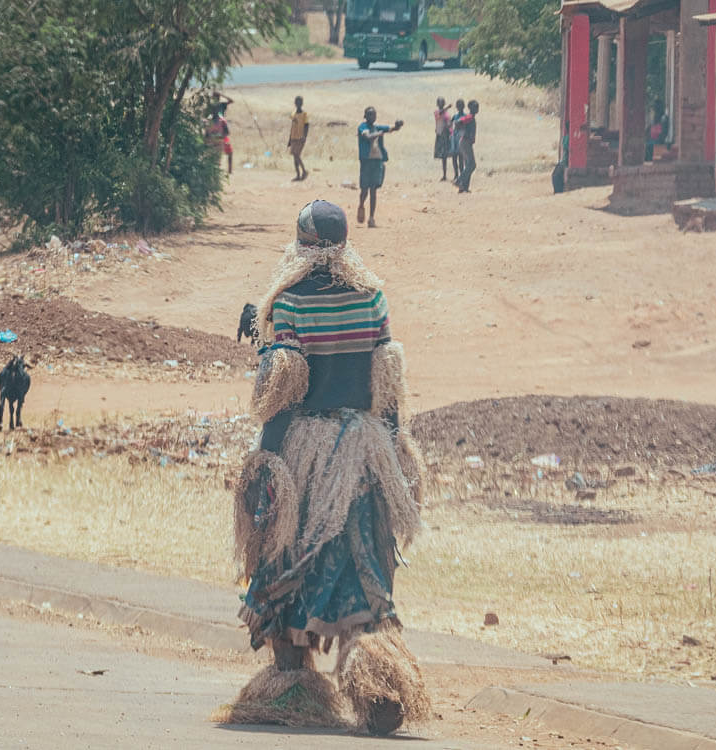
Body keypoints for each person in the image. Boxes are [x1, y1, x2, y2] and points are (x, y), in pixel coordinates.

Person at [226, 200, 430, 735]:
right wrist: (393, 453)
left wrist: (265, 465)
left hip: (308, 453)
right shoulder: (373, 299)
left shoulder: (290, 303)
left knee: (286, 559)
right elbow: (387, 390)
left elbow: (283, 395)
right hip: (364, 455)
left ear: (303, 246)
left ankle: (293, 684)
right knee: (366, 564)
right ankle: (377, 681)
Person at [357, 106, 404, 228]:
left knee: (373, 190)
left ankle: (371, 218)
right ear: (365, 116)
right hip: (367, 161)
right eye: (370, 115)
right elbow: (367, 136)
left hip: (377, 161)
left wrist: (397, 125)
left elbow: (392, 129)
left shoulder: (377, 128)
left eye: (374, 115)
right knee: (364, 190)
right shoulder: (363, 127)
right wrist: (380, 133)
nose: (372, 117)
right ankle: (361, 205)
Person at [205, 94, 235, 175]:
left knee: (222, 155)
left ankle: (228, 171)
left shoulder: (221, 105)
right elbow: (227, 133)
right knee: (218, 156)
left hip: (217, 137)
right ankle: (225, 172)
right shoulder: (218, 119)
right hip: (219, 137)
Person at [456, 99, 479, 193]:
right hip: (465, 142)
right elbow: (458, 122)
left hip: (466, 142)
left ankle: (464, 187)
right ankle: (459, 180)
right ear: (471, 108)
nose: (477, 109)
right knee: (472, 165)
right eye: (476, 107)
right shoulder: (470, 117)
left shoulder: (471, 117)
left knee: (468, 165)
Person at [288, 95, 310, 181]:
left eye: (299, 102)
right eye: (297, 102)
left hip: (301, 137)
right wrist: (289, 139)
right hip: (293, 137)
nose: (298, 104)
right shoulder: (293, 114)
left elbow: (307, 126)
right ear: (295, 103)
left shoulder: (305, 114)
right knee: (294, 156)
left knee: (296, 155)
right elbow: (292, 126)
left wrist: (305, 136)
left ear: (302, 103)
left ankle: (304, 171)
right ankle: (298, 174)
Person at [433, 97, 452, 181]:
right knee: (443, 156)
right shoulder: (437, 112)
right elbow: (439, 114)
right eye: (439, 102)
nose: (441, 104)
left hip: (445, 136)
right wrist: (447, 107)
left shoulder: (447, 115)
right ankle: (444, 175)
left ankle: (446, 175)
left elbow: (449, 124)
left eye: (442, 102)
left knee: (446, 155)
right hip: (440, 135)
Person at [449, 98, 466, 182]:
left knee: (460, 157)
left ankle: (461, 174)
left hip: (461, 136)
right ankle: (456, 174)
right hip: (455, 136)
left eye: (461, 105)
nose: (459, 107)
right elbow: (450, 124)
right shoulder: (455, 116)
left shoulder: (465, 116)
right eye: (458, 105)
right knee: (454, 157)